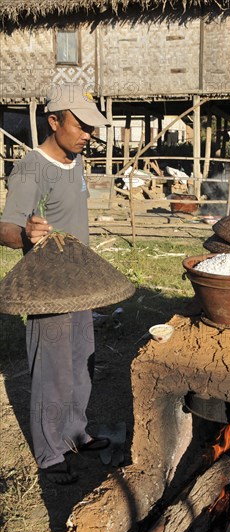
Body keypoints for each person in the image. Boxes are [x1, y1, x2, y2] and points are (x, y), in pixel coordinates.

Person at [0, 84, 111, 484]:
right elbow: (6, 228)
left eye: (91, 127)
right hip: (48, 287)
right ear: (54, 120)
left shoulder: (75, 161)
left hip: (81, 282)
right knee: (53, 372)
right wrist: (25, 235)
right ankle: (49, 454)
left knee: (83, 361)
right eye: (81, 125)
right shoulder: (32, 168)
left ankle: (75, 433)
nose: (88, 134)